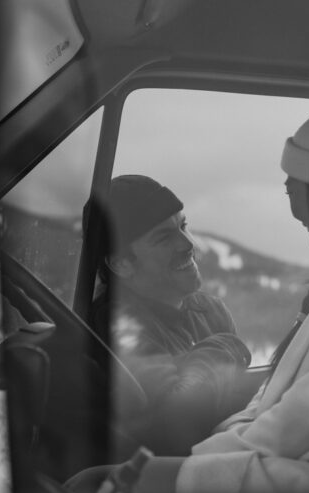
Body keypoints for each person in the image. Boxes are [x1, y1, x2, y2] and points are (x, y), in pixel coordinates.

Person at [71, 89, 309, 493]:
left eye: (293, 190)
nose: (293, 208)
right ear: (120, 263)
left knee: (102, 489)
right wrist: (214, 448)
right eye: (164, 237)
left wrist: (196, 467)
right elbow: (301, 404)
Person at [89, 174, 253, 456]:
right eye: (164, 238)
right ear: (121, 263)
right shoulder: (117, 330)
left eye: (183, 226)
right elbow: (174, 422)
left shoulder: (211, 311)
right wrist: (225, 347)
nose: (188, 244)